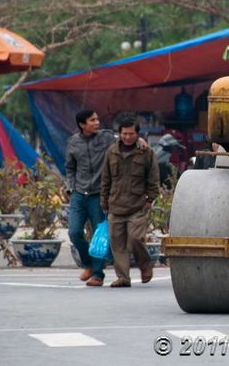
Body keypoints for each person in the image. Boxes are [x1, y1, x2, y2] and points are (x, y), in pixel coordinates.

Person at [100, 115, 159, 288]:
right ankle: (123, 277)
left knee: (135, 239)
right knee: (117, 244)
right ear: (119, 134)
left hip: (138, 205)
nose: (128, 137)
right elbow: (106, 178)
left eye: (131, 134)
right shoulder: (111, 152)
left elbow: (153, 178)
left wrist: (150, 198)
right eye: (124, 133)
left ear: (137, 134)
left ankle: (145, 265)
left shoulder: (146, 152)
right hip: (115, 205)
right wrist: (104, 200)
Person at [65, 110, 115, 287]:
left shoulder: (107, 138)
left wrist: (139, 140)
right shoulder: (72, 142)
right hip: (79, 194)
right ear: (82, 124)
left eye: (97, 119)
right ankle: (87, 264)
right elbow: (70, 168)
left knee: (99, 234)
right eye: (92, 120)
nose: (97, 123)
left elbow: (125, 141)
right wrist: (70, 188)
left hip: (99, 194)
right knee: (74, 232)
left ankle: (97, 274)